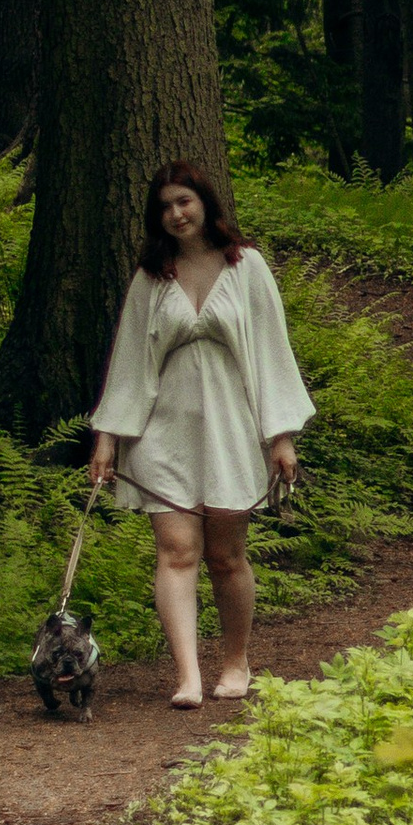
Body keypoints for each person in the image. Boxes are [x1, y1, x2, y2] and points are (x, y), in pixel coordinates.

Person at [85, 164, 313, 708]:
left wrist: (280, 437)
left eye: (183, 201)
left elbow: (272, 354)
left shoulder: (247, 266)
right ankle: (187, 675)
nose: (176, 214)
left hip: (233, 428)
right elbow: (129, 362)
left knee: (226, 557)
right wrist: (107, 439)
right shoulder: (152, 276)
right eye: (165, 206)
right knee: (176, 551)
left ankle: (236, 661)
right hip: (163, 432)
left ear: (205, 203)